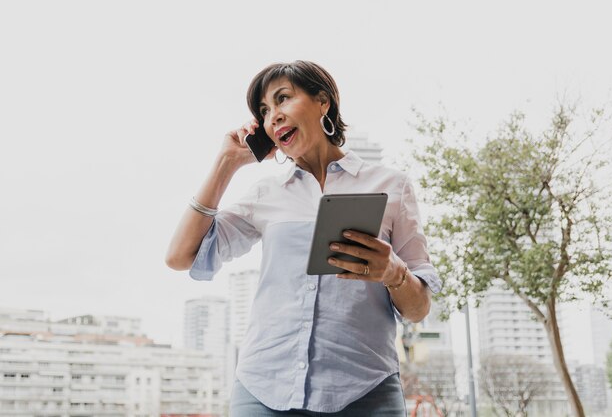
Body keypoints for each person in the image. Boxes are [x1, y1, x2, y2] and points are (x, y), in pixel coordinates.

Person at [165, 60, 441, 416]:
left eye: (283, 99)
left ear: (323, 102)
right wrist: (226, 163)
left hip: (364, 390)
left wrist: (394, 272)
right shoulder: (267, 193)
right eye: (264, 111)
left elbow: (418, 310)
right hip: (264, 388)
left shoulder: (391, 186)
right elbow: (180, 256)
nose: (273, 116)